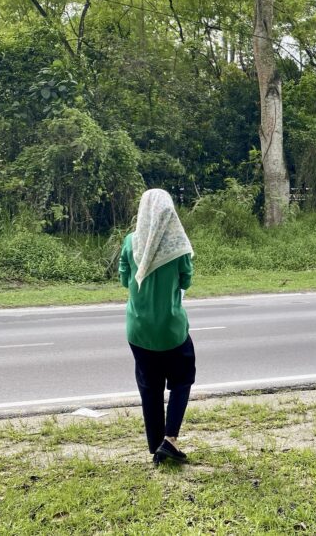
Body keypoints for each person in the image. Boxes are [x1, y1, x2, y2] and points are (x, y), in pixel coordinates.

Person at [119, 188, 196, 465]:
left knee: (149, 388)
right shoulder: (178, 246)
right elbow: (186, 280)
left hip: (138, 331)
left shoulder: (131, 242)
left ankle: (156, 448)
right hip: (171, 331)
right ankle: (170, 439)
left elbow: (123, 278)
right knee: (182, 380)